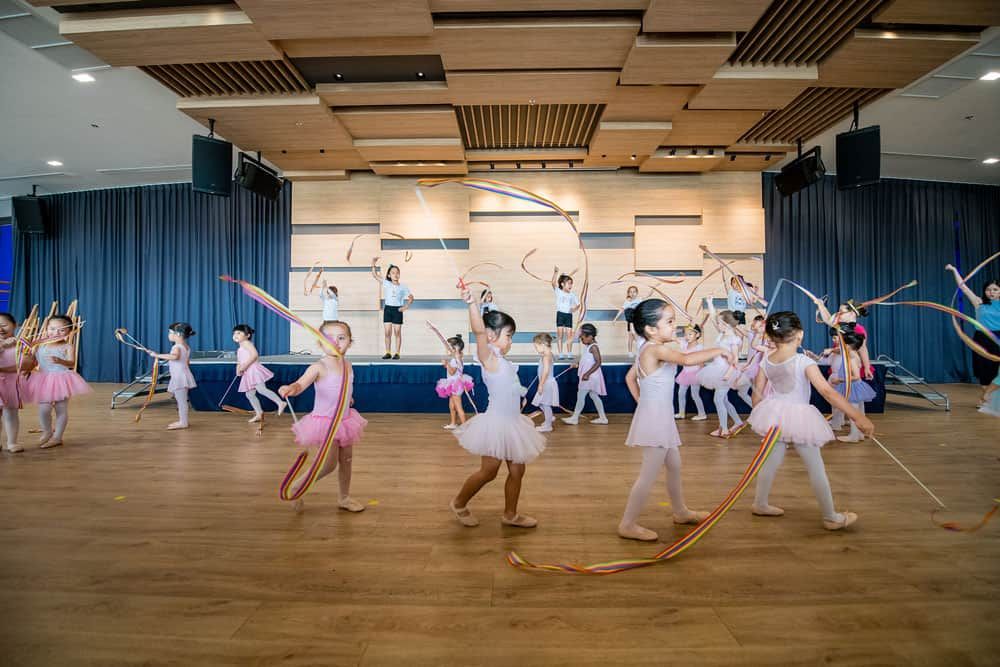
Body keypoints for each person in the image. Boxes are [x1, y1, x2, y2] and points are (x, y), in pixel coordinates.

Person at [618, 299, 734, 541]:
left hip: (658, 416)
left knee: (674, 465)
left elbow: (631, 378)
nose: (674, 327)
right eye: (669, 322)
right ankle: (627, 524)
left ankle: (680, 511)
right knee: (648, 474)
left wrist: (644, 403)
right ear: (651, 329)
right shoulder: (654, 349)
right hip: (657, 419)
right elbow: (688, 360)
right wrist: (720, 350)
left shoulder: (646, 349)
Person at [748, 311, 874, 531]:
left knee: (770, 462)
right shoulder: (803, 361)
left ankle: (760, 503)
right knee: (816, 467)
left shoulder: (766, 360)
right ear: (800, 335)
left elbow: (756, 394)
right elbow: (827, 392)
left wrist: (762, 415)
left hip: (774, 413)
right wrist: (858, 416)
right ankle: (831, 516)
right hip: (799, 418)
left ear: (772, 335)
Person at [449, 290, 545, 529]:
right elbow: (479, 331)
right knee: (489, 472)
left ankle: (510, 514)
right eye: (508, 336)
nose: (510, 341)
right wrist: (472, 304)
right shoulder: (488, 358)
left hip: (513, 423)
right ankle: (459, 503)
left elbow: (512, 389)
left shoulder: (504, 363)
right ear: (492, 336)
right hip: (496, 424)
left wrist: (522, 405)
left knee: (517, 470)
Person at [279, 320, 367, 514]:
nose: (336, 342)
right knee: (328, 464)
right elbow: (300, 384)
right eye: (329, 338)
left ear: (350, 342)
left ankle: (344, 497)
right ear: (320, 343)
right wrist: (290, 389)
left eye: (341, 338)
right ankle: (298, 486)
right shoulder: (319, 366)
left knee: (347, 460)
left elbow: (343, 387)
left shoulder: (348, 365)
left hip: (345, 421)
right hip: (326, 423)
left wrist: (348, 398)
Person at [30, 314, 92, 447]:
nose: (55, 333)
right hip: (44, 378)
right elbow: (34, 360)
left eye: (61, 330)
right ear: (46, 328)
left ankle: (57, 437)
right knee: (44, 409)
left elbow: (71, 363)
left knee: (61, 408)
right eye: (52, 329)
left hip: (61, 379)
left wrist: (60, 360)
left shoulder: (67, 346)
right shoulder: (40, 344)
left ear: (69, 331)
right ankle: (47, 431)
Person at [946, 265, 1000, 400]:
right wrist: (954, 270)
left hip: (998, 339)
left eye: (995, 289)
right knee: (983, 371)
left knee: (996, 371)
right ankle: (987, 398)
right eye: (988, 289)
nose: (991, 292)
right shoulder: (979, 303)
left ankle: (987, 396)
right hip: (981, 339)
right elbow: (963, 287)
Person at [697, 308, 744, 438]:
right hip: (716, 369)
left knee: (718, 400)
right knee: (724, 400)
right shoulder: (722, 334)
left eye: (719, 323)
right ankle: (738, 422)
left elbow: (735, 359)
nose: (717, 325)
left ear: (726, 324)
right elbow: (713, 318)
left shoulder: (732, 339)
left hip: (725, 372)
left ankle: (723, 429)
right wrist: (711, 304)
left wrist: (728, 375)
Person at [232, 324, 285, 423]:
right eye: (234, 333)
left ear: (247, 336)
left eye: (239, 333)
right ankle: (259, 413)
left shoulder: (247, 343)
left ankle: (280, 402)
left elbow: (254, 355)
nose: (236, 335)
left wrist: (244, 366)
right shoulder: (240, 347)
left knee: (261, 389)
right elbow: (239, 361)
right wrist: (238, 369)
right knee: (249, 394)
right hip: (247, 372)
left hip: (253, 370)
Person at [149, 322, 197, 431]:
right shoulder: (186, 346)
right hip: (183, 375)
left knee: (181, 401)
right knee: (181, 399)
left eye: (170, 332)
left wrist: (157, 355)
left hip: (180, 376)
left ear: (178, 334)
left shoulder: (177, 347)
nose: (168, 335)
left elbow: (174, 357)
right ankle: (182, 421)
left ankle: (183, 422)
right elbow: (186, 361)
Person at [562, 323, 608, 425]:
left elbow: (598, 362)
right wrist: (577, 364)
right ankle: (603, 418)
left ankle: (574, 418)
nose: (581, 340)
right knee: (594, 396)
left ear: (590, 337)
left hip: (590, 377)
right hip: (590, 376)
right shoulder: (588, 347)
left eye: (582, 338)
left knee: (581, 395)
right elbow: (586, 360)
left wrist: (587, 374)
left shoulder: (593, 347)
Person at [0, 313, 31, 452]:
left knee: (11, 413)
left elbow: (28, 363)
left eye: (4, 325)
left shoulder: (23, 342)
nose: (0, 328)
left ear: (15, 325)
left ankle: (12, 442)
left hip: (12, 383)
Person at [372, 263, 413, 359]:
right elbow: (375, 275)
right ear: (389, 275)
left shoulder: (403, 286)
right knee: (387, 332)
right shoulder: (386, 283)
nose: (396, 274)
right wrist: (373, 264)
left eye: (397, 273)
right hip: (388, 309)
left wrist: (405, 307)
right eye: (393, 273)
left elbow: (411, 298)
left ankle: (397, 353)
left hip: (397, 310)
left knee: (397, 332)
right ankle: (388, 352)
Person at [435, 333, 473, 431]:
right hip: (452, 384)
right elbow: (452, 370)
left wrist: (446, 364)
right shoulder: (457, 357)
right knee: (452, 406)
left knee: (458, 406)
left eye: (448, 348)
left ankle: (465, 427)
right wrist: (447, 365)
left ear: (454, 348)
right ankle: (453, 423)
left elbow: (452, 372)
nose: (446, 350)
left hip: (455, 385)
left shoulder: (455, 360)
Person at [674, 324, 707, 420]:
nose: (687, 337)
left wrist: (702, 375)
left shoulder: (699, 347)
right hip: (685, 373)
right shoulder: (684, 344)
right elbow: (674, 337)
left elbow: (701, 362)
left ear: (697, 335)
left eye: (690, 334)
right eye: (686, 334)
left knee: (695, 394)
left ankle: (702, 414)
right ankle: (681, 413)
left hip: (695, 373)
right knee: (681, 393)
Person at [531, 333, 559, 433]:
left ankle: (548, 426)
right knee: (541, 403)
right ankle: (549, 417)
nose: (536, 349)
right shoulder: (548, 354)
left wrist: (541, 384)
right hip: (547, 382)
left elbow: (546, 371)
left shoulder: (546, 356)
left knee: (545, 404)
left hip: (546, 383)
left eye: (536, 347)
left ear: (543, 345)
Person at [551, 269, 580, 359]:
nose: (570, 285)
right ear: (563, 284)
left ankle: (569, 353)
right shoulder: (559, 291)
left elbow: (578, 304)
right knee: (560, 335)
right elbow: (553, 283)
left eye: (571, 283)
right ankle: (560, 354)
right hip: (560, 315)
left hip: (568, 315)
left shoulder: (572, 295)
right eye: (569, 283)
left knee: (569, 335)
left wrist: (574, 309)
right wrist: (555, 273)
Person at [617, 285, 642, 358]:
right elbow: (621, 310)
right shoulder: (627, 302)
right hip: (631, 321)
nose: (632, 293)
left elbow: (645, 302)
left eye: (634, 292)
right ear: (628, 293)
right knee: (631, 336)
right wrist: (615, 318)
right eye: (630, 292)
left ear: (637, 293)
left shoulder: (639, 300)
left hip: (637, 320)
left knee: (637, 336)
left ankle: (639, 351)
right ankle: (630, 352)